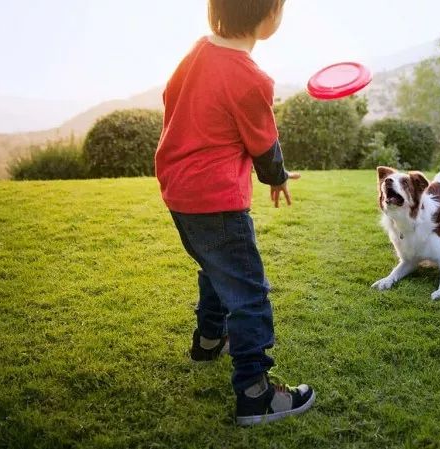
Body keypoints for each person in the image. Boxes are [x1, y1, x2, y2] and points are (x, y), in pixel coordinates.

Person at [155, 0, 314, 426]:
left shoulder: (195, 53)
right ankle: (255, 393)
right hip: (217, 199)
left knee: (213, 268)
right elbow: (263, 142)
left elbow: (174, 106)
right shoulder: (251, 78)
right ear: (266, 16)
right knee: (248, 292)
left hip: (179, 194)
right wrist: (276, 177)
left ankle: (209, 340)